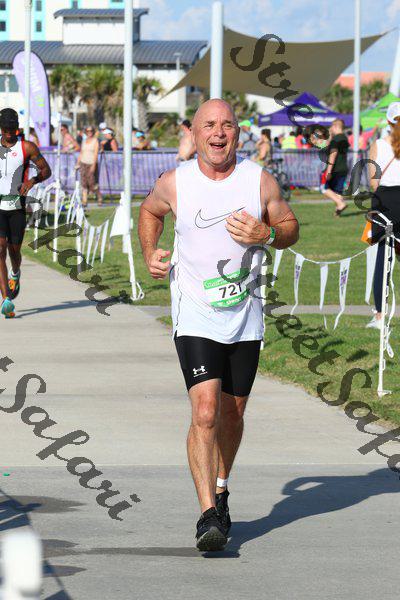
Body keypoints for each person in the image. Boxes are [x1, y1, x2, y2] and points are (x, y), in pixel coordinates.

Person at [138, 99, 299, 552]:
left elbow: (290, 226)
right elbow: (149, 212)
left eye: (227, 125)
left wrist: (268, 234)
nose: (219, 133)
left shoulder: (258, 180)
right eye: (209, 125)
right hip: (195, 311)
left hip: (245, 314)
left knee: (233, 412)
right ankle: (208, 514)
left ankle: (222, 487)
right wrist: (150, 252)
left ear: (238, 134)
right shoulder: (175, 182)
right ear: (194, 132)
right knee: (205, 411)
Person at [0, 108, 51, 318]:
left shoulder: (27, 147)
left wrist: (32, 181)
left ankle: (15, 272)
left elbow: (46, 170)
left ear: (17, 128)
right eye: (5, 130)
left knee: (14, 251)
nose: (9, 134)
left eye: (12, 130)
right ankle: (6, 299)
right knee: (0, 249)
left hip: (17, 207)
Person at [366, 102, 400, 329]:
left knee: (383, 259)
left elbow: (374, 182)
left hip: (385, 202)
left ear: (388, 121)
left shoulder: (378, 144)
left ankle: (380, 315)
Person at [321, 118, 349, 216]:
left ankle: (341, 204)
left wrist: (328, 171)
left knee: (324, 188)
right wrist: (330, 136)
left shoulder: (336, 139)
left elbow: (332, 155)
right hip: (344, 168)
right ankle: (338, 212)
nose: (330, 129)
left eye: (331, 126)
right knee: (337, 191)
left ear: (336, 126)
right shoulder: (344, 138)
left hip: (335, 169)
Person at [76, 126, 102, 208]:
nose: (89, 132)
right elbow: (81, 153)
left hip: (91, 163)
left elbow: (96, 154)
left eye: (91, 131)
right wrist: (77, 163)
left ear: (93, 132)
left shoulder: (95, 141)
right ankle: (84, 201)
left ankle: (99, 197)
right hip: (83, 163)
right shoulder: (84, 141)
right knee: (84, 182)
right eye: (87, 131)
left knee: (92, 183)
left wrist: (94, 165)